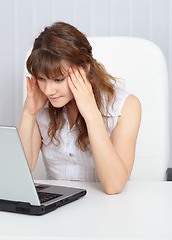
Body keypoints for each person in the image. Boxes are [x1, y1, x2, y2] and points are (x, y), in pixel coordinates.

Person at [18, 22, 141, 195]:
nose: (48, 90)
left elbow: (114, 185)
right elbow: (21, 170)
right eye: (42, 79)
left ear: (84, 69)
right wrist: (28, 114)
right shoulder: (42, 102)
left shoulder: (125, 105)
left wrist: (91, 114)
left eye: (59, 79)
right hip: (57, 208)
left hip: (106, 209)